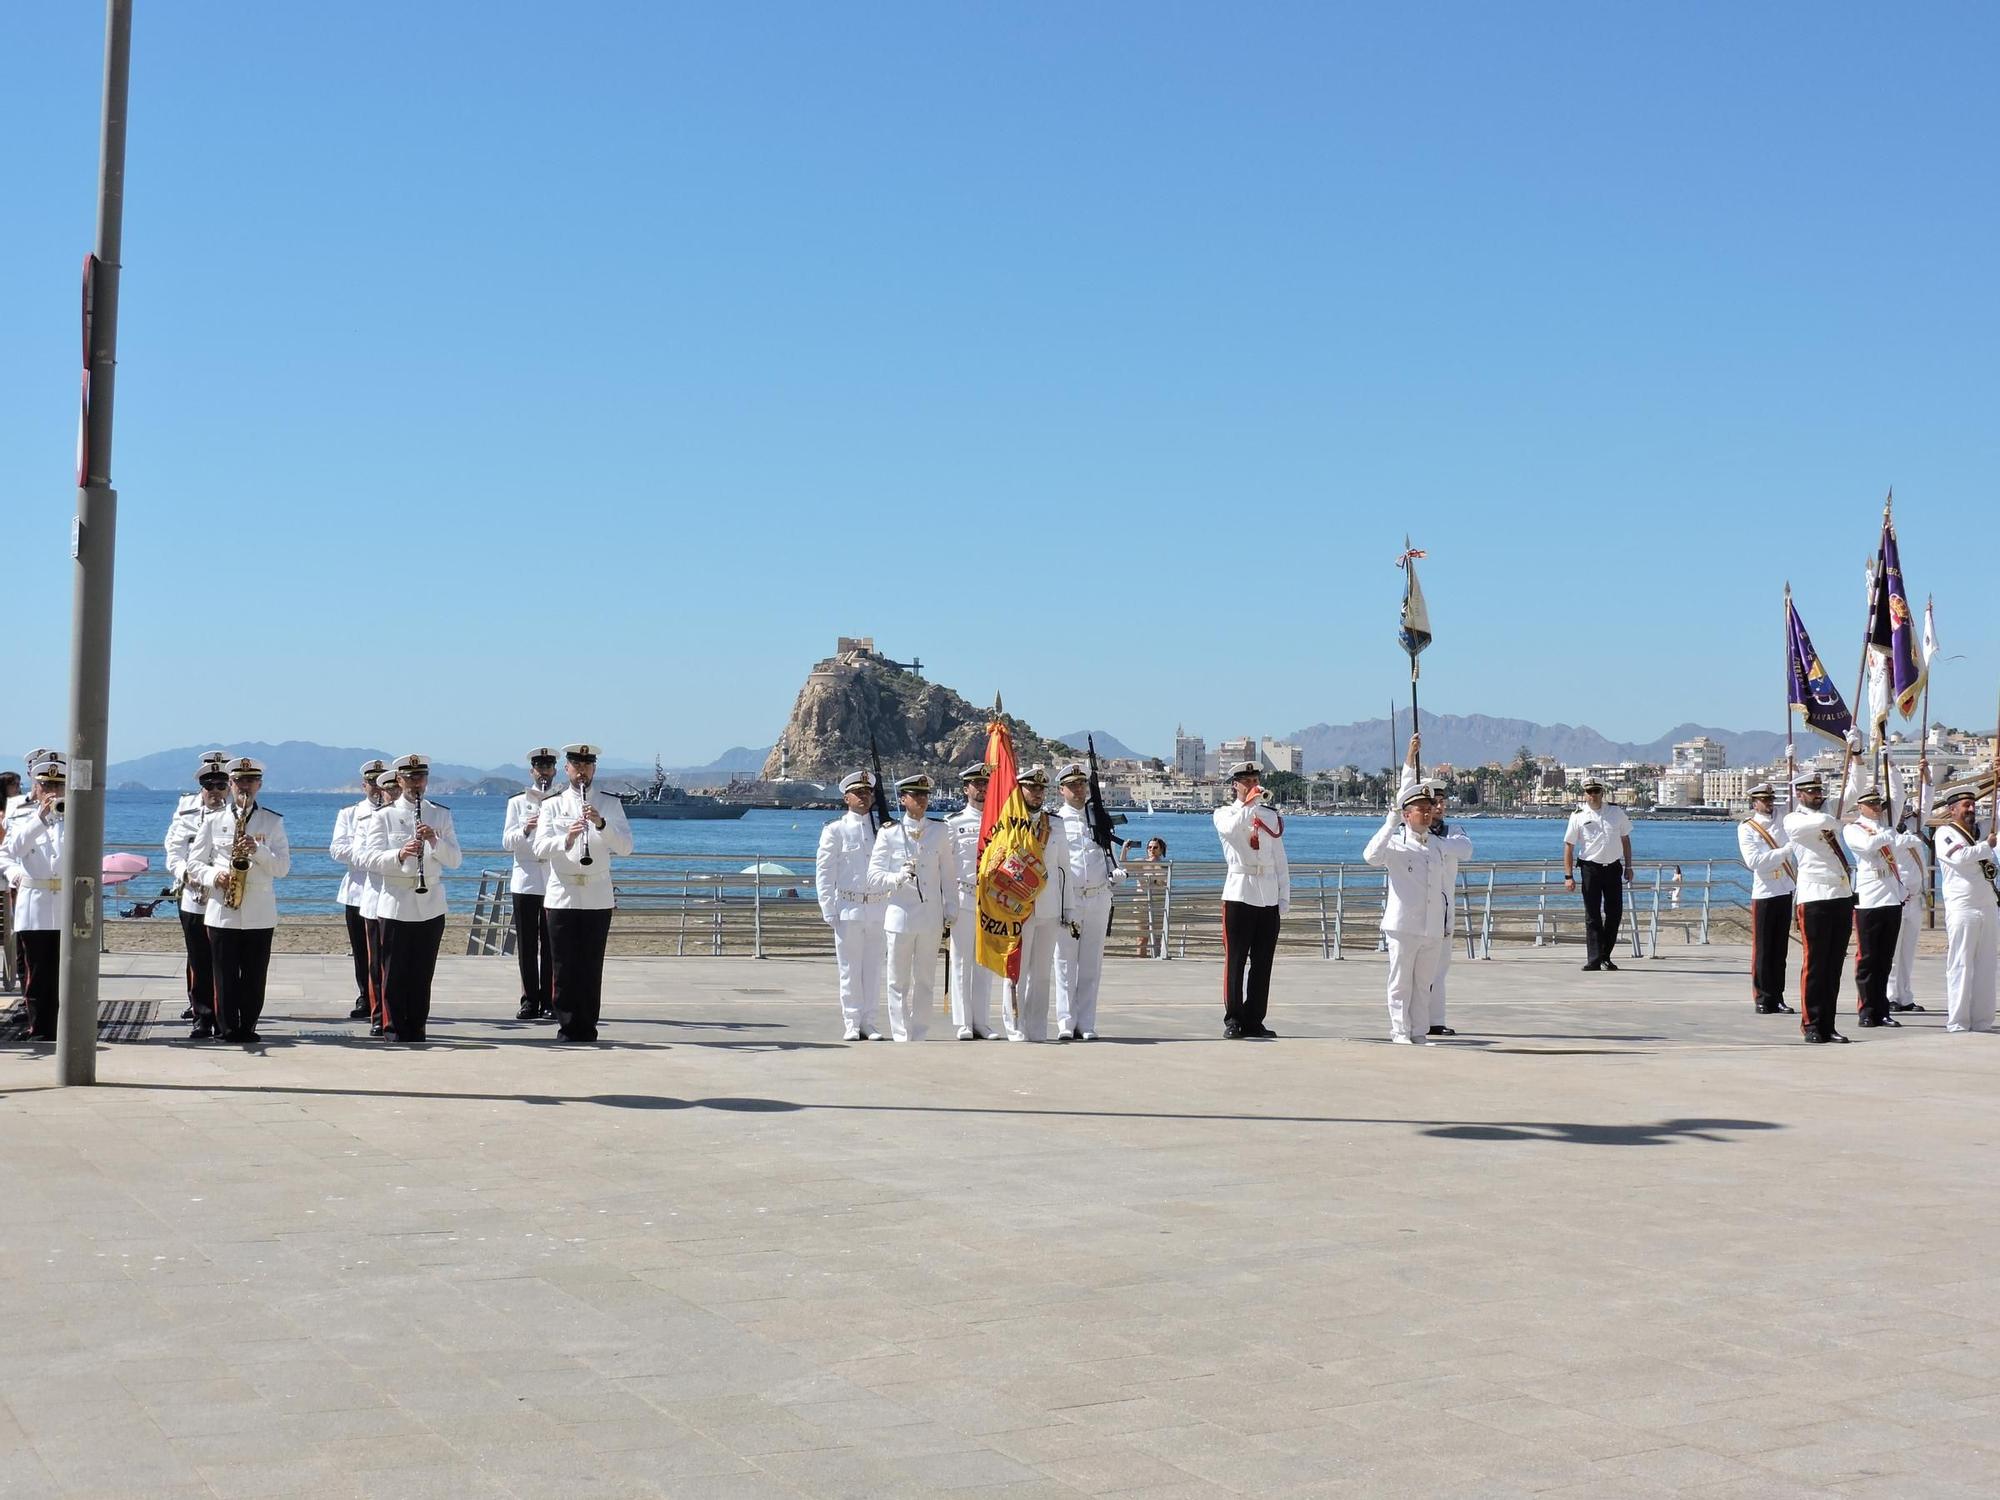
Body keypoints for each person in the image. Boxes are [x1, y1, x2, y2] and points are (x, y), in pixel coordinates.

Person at [530, 743, 633, 1043]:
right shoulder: (552, 804)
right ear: (567, 769)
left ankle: (587, 1025)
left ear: (594, 769)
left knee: (591, 964)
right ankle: (567, 1025)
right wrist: (568, 836)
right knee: (563, 965)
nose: (582, 771)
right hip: (562, 893)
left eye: (587, 765)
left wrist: (601, 824)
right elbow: (539, 848)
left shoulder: (610, 804)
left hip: (597, 894)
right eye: (576, 765)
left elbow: (626, 847)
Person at [187, 757, 290, 1044]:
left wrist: (258, 850)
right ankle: (227, 1028)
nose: (245, 787)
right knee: (223, 974)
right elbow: (194, 864)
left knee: (255, 976)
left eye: (250, 781)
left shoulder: (272, 821)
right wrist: (215, 875)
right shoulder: (214, 820)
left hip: (259, 909)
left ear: (259, 785)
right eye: (239, 781)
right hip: (223, 908)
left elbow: (282, 868)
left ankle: (249, 1026)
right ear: (231, 784)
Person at [360, 754, 460, 1044]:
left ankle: (417, 1028)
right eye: (410, 778)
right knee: (394, 972)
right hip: (395, 901)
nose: (416, 783)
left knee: (422, 971)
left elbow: (455, 860)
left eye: (421, 777)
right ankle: (394, 1029)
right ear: (399, 780)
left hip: (430, 901)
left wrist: (434, 841)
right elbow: (369, 857)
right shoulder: (384, 815)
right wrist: (401, 854)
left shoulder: (440, 814)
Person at [866, 773, 956, 1041]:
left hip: (930, 916)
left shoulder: (940, 831)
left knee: (926, 979)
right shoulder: (890, 833)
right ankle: (901, 1032)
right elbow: (873, 878)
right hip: (900, 916)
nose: (923, 800)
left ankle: (920, 1032)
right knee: (898, 980)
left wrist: (950, 908)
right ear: (903, 799)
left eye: (925, 795)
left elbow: (948, 875)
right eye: (916, 795)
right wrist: (897, 877)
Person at [1782, 752, 1861, 1043]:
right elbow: (1823, 821)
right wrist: (1836, 821)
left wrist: (1858, 757)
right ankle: (1812, 1024)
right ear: (1799, 794)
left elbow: (1855, 787)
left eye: (1819, 791)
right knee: (1815, 963)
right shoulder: (1794, 820)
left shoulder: (1828, 814)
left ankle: (1828, 1023)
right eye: (1812, 791)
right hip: (1814, 898)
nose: (1818, 795)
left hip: (1840, 895)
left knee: (1834, 964)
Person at [1364, 776, 1449, 1044]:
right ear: (1406, 815)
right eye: (1421, 809)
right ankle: (1400, 1031)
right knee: (1401, 983)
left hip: (1431, 926)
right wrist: (1389, 825)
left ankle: (1418, 1032)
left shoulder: (1436, 845)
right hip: (1403, 926)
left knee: (1424, 984)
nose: (1427, 813)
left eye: (1429, 807)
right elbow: (1371, 857)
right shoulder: (1395, 843)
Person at [1398, 736, 1471, 1036]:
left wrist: (1437, 840)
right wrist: (1409, 758)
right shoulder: (1411, 835)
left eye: (1440, 802)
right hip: (1416, 911)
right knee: (1409, 973)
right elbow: (1404, 795)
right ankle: (1409, 1024)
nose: (1437, 807)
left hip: (1443, 909)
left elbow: (1465, 849)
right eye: (1431, 803)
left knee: (1438, 969)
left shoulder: (1452, 833)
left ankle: (1435, 1021)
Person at [1213, 760, 1288, 1038]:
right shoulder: (1224, 814)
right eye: (1245, 780)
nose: (1251, 784)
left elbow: (1280, 860)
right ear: (1235, 785)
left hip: (1267, 893)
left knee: (1263, 962)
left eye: (1254, 778)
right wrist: (1250, 805)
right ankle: (1233, 1019)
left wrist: (1284, 897)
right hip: (1239, 893)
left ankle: (1255, 1018)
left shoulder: (1269, 815)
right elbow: (1232, 830)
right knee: (1235, 961)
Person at [1000, 765, 1074, 1042]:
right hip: (1017, 907)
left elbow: (1064, 869)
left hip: (1049, 907)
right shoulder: (1008, 823)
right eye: (1031, 788)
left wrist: (1069, 908)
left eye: (1040, 788)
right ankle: (1014, 1026)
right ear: (1020, 790)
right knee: (1015, 971)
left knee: (1042, 973)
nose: (1037, 793)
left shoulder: (1055, 824)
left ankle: (1037, 1028)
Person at [1052, 762, 1124, 1041]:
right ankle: (1066, 1022)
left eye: (1081, 785)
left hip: (1098, 895)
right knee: (1065, 962)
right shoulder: (1056, 822)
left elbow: (1106, 852)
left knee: (1091, 962)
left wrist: (1114, 871)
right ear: (1062, 790)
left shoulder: (1097, 818)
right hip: (1069, 899)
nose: (1078, 790)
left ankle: (1086, 1022)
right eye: (1072, 786)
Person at [816, 771, 889, 1041]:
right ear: (846, 797)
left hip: (878, 907)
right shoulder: (835, 830)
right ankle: (851, 1021)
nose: (864, 797)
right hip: (848, 906)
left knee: (872, 969)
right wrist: (828, 907)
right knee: (849, 969)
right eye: (858, 793)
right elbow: (825, 871)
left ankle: (869, 1021)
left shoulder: (881, 829)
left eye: (868, 792)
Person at [164, 754, 231, 1037]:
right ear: (201, 789)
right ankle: (202, 1016)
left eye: (220, 785)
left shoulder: (240, 813)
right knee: (199, 958)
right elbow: (174, 850)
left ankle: (226, 1016)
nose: (214, 792)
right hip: (195, 896)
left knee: (227, 959)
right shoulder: (187, 813)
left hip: (226, 897)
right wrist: (184, 873)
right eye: (209, 786)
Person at [2, 756, 68, 1040]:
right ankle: (40, 1027)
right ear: (36, 786)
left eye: (58, 784)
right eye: (46, 784)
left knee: (67, 968)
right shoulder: (20, 813)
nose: (52, 790)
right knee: (37, 969)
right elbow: (9, 851)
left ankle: (68, 1024)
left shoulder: (78, 813)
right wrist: (40, 818)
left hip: (66, 900)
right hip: (35, 899)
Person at [1933, 782, 1998, 1034]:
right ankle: (1958, 1022)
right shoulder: (1945, 833)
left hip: (1987, 904)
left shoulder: (1980, 831)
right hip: (1963, 907)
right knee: (1961, 964)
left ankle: (1982, 1021)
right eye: (1965, 805)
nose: (1971, 809)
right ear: (1952, 810)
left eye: (1973, 805)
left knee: (1986, 965)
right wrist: (1986, 847)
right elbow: (1959, 857)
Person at [502, 747, 560, 1022]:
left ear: (555, 771)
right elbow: (506, 842)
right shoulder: (517, 802)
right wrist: (526, 828)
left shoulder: (561, 800)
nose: (544, 772)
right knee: (526, 943)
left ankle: (550, 1000)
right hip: (525, 878)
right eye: (539, 767)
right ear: (532, 771)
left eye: (548, 767)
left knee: (551, 943)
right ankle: (529, 1000)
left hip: (552, 878)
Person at [1843, 786, 1908, 1028]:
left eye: (1878, 804)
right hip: (1869, 899)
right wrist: (1889, 834)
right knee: (1868, 959)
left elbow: (1902, 841)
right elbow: (1868, 846)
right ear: (1860, 807)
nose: (1876, 808)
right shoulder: (1854, 829)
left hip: (1891, 897)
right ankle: (1867, 1010)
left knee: (1885, 959)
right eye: (1871, 804)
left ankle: (1882, 1009)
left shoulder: (1885, 829)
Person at [328, 758, 388, 1022]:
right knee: (362, 949)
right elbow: (337, 849)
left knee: (385, 950)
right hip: (357, 890)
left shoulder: (395, 813)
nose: (377, 787)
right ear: (364, 785)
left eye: (381, 782)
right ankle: (366, 994)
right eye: (372, 782)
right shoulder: (350, 814)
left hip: (386, 890)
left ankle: (386, 997)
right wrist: (366, 854)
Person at [944, 761, 996, 1039]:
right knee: (962, 960)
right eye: (977, 784)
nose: (982, 789)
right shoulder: (954, 823)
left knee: (985, 963)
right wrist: (947, 901)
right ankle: (963, 1022)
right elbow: (946, 865)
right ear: (966, 789)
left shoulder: (1000, 821)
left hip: (991, 899)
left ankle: (982, 1021)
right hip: (964, 896)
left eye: (986, 784)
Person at [1736, 781, 1798, 1016]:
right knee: (1763, 950)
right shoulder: (1748, 827)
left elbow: (1794, 797)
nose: (1769, 803)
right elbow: (1755, 862)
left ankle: (1778, 996)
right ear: (1754, 802)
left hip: (1784, 888)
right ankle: (1762, 997)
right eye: (1764, 800)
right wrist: (1785, 851)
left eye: (1771, 799)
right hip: (1764, 891)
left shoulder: (1782, 818)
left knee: (1780, 949)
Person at [1562, 778, 1634, 971]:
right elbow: (1569, 846)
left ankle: (1605, 956)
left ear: (1602, 793)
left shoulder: (1616, 813)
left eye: (1596, 791)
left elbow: (1625, 840)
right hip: (1589, 869)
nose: (1592, 795)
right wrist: (1568, 876)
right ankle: (1594, 959)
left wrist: (1628, 866)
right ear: (1584, 794)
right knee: (1592, 915)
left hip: (1612, 868)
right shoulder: (1578, 815)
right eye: (1589, 792)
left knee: (1614, 914)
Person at [358, 768, 399, 1035]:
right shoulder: (367, 820)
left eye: (397, 789)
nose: (393, 794)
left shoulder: (405, 819)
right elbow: (362, 857)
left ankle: (396, 1013)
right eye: (388, 790)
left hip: (400, 900)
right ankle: (378, 1015)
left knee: (397, 963)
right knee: (376, 964)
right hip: (375, 898)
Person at [1887, 807, 1929, 1014]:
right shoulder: (1887, 829)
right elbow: (1893, 845)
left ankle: (1905, 996)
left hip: (1915, 898)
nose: (1904, 813)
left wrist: (1927, 780)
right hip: (1898, 896)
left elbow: (1926, 803)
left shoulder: (1912, 826)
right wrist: (1914, 838)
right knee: (1893, 952)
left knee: (1907, 952)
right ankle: (1890, 995)